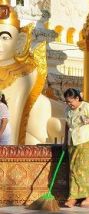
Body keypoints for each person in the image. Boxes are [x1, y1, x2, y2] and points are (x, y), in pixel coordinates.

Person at [0, 1, 65, 144]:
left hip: (24, 135)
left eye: (4, 37)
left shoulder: (25, 74)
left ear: (20, 41)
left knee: (56, 126)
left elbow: (13, 125)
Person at [63, 88, 89, 208]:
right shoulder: (67, 110)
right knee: (73, 169)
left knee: (84, 170)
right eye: (67, 102)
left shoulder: (87, 107)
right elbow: (66, 126)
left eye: (71, 101)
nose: (69, 104)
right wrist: (65, 141)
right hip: (73, 142)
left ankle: (88, 198)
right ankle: (73, 197)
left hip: (87, 142)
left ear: (77, 98)